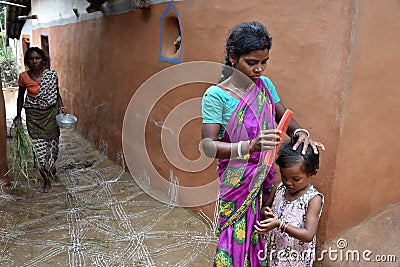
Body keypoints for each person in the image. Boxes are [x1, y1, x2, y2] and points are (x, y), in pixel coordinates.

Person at [201, 21, 325, 266]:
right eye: (251, 62)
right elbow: (208, 146)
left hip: (265, 177)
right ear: (233, 57)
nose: (259, 69)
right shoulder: (216, 96)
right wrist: (250, 146)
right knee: (234, 239)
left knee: (259, 233)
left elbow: (285, 118)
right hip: (237, 183)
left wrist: (301, 133)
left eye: (264, 62)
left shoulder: (265, 86)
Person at [254, 135, 324, 267]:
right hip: (273, 252)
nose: (288, 183)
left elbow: (308, 234)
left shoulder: (313, 199)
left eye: (296, 179)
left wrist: (280, 224)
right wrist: (266, 213)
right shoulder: (279, 188)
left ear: (312, 173)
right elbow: (264, 209)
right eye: (284, 177)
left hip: (293, 258)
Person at [13, 47, 67, 193]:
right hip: (34, 117)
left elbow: (56, 94)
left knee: (53, 147)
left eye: (37, 58)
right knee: (38, 150)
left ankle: (51, 165)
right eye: (31, 59)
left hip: (51, 115)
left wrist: (61, 107)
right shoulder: (24, 77)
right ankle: (46, 179)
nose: (34, 61)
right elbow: (20, 97)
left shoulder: (51, 75)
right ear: (27, 62)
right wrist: (18, 115)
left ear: (43, 60)